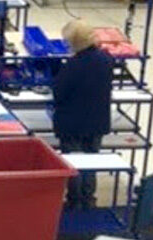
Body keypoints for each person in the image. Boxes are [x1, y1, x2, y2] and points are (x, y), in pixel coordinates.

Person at [51, 20, 113, 211]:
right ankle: (88, 200)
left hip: (72, 124)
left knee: (75, 163)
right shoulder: (106, 60)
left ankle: (74, 202)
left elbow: (58, 93)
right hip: (97, 122)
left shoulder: (72, 66)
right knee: (91, 161)